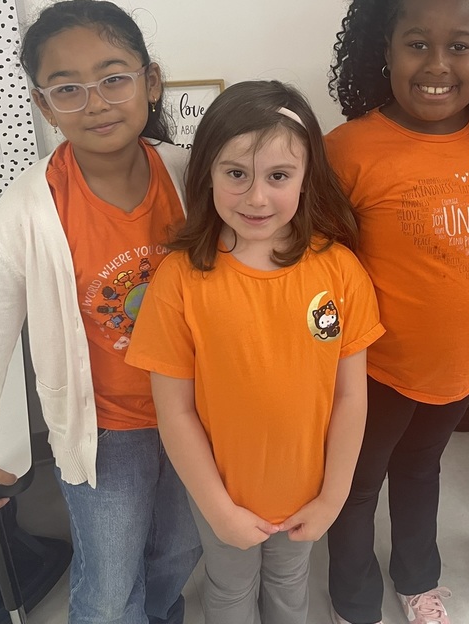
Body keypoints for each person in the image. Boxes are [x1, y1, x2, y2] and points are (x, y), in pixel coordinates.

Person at [0, 0, 202, 624]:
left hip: (197, 413)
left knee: (181, 548)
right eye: (69, 89)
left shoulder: (190, 175)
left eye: (114, 78)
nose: (97, 102)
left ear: (151, 81)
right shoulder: (24, 215)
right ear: (42, 104)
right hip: (106, 429)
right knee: (110, 582)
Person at [324, 0, 469, 624]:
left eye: (460, 46)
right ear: (382, 49)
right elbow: (327, 272)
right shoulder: (351, 149)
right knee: (358, 485)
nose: (438, 65)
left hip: (460, 366)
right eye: (417, 44)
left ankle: (418, 573)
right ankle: (351, 587)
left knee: (422, 468)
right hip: (379, 368)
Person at [126, 80, 385, 624]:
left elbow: (350, 397)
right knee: (229, 589)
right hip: (222, 497)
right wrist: (219, 509)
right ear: (208, 174)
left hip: (307, 492)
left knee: (290, 583)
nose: (257, 197)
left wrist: (333, 498)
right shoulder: (179, 279)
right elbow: (172, 410)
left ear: (307, 176)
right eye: (236, 174)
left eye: (279, 176)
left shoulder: (339, 271)